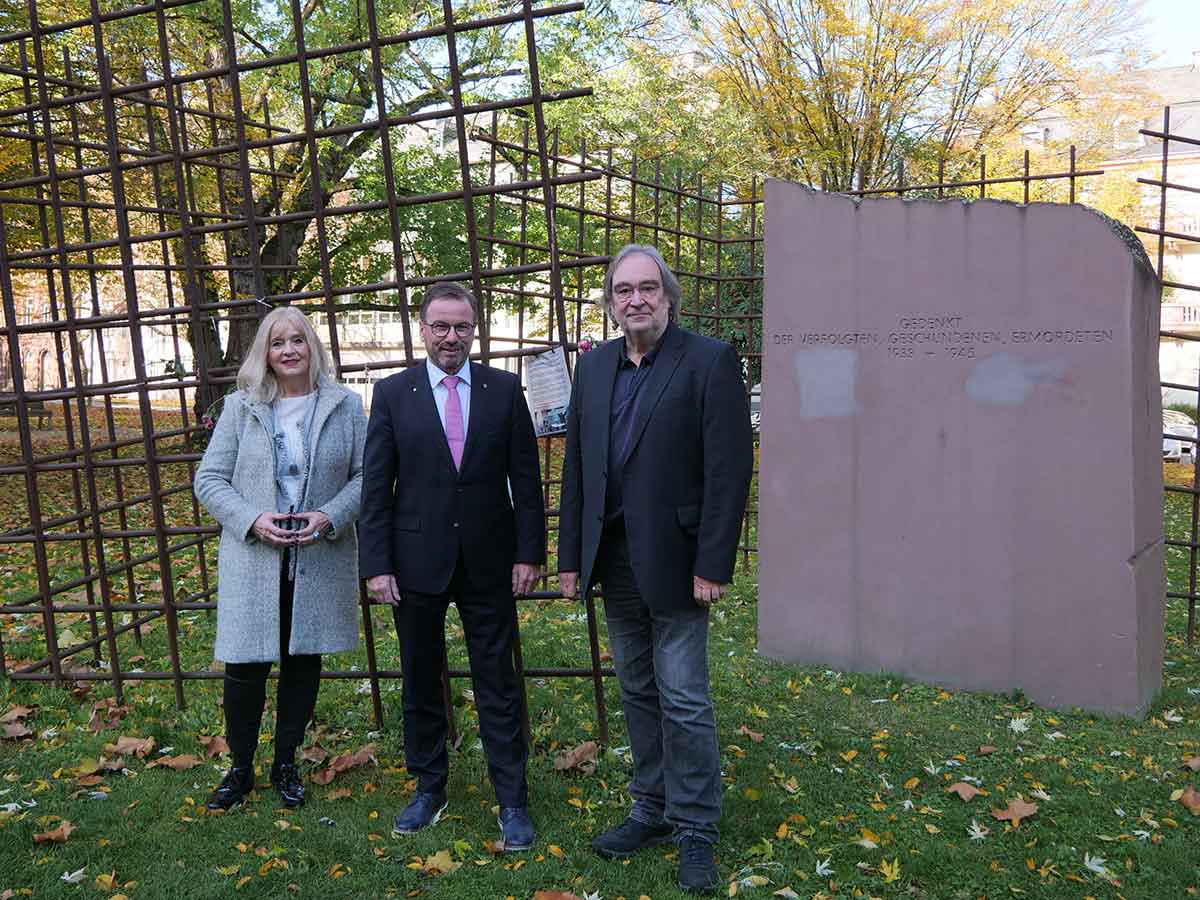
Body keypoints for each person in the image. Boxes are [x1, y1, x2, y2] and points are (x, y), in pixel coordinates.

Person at [558, 244, 753, 894]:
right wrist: (569, 559)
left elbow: (728, 471)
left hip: (677, 559)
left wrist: (713, 561)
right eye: (622, 290)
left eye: (646, 288)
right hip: (612, 558)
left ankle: (696, 826)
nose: (635, 299)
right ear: (611, 302)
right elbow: (580, 467)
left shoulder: (708, 361)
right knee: (638, 691)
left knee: (684, 698)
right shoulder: (594, 370)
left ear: (667, 294)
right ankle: (652, 808)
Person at [359, 282, 544, 851]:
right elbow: (376, 486)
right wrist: (377, 564)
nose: (451, 336)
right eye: (440, 326)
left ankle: (511, 799)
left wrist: (529, 552)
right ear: (422, 329)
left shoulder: (504, 390)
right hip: (416, 562)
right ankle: (428, 787)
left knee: (499, 679)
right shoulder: (393, 394)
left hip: (490, 560)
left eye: (462, 326)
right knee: (419, 676)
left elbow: (527, 481)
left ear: (475, 330)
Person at [194, 306, 366, 811]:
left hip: (316, 553)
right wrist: (252, 520)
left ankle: (285, 761)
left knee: (301, 659)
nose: (289, 349)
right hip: (255, 554)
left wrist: (329, 515)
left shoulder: (345, 406)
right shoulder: (240, 407)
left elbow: (366, 477)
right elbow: (209, 479)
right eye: (277, 342)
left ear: (312, 347)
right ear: (264, 353)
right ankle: (240, 768)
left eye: (298, 340)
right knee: (245, 664)